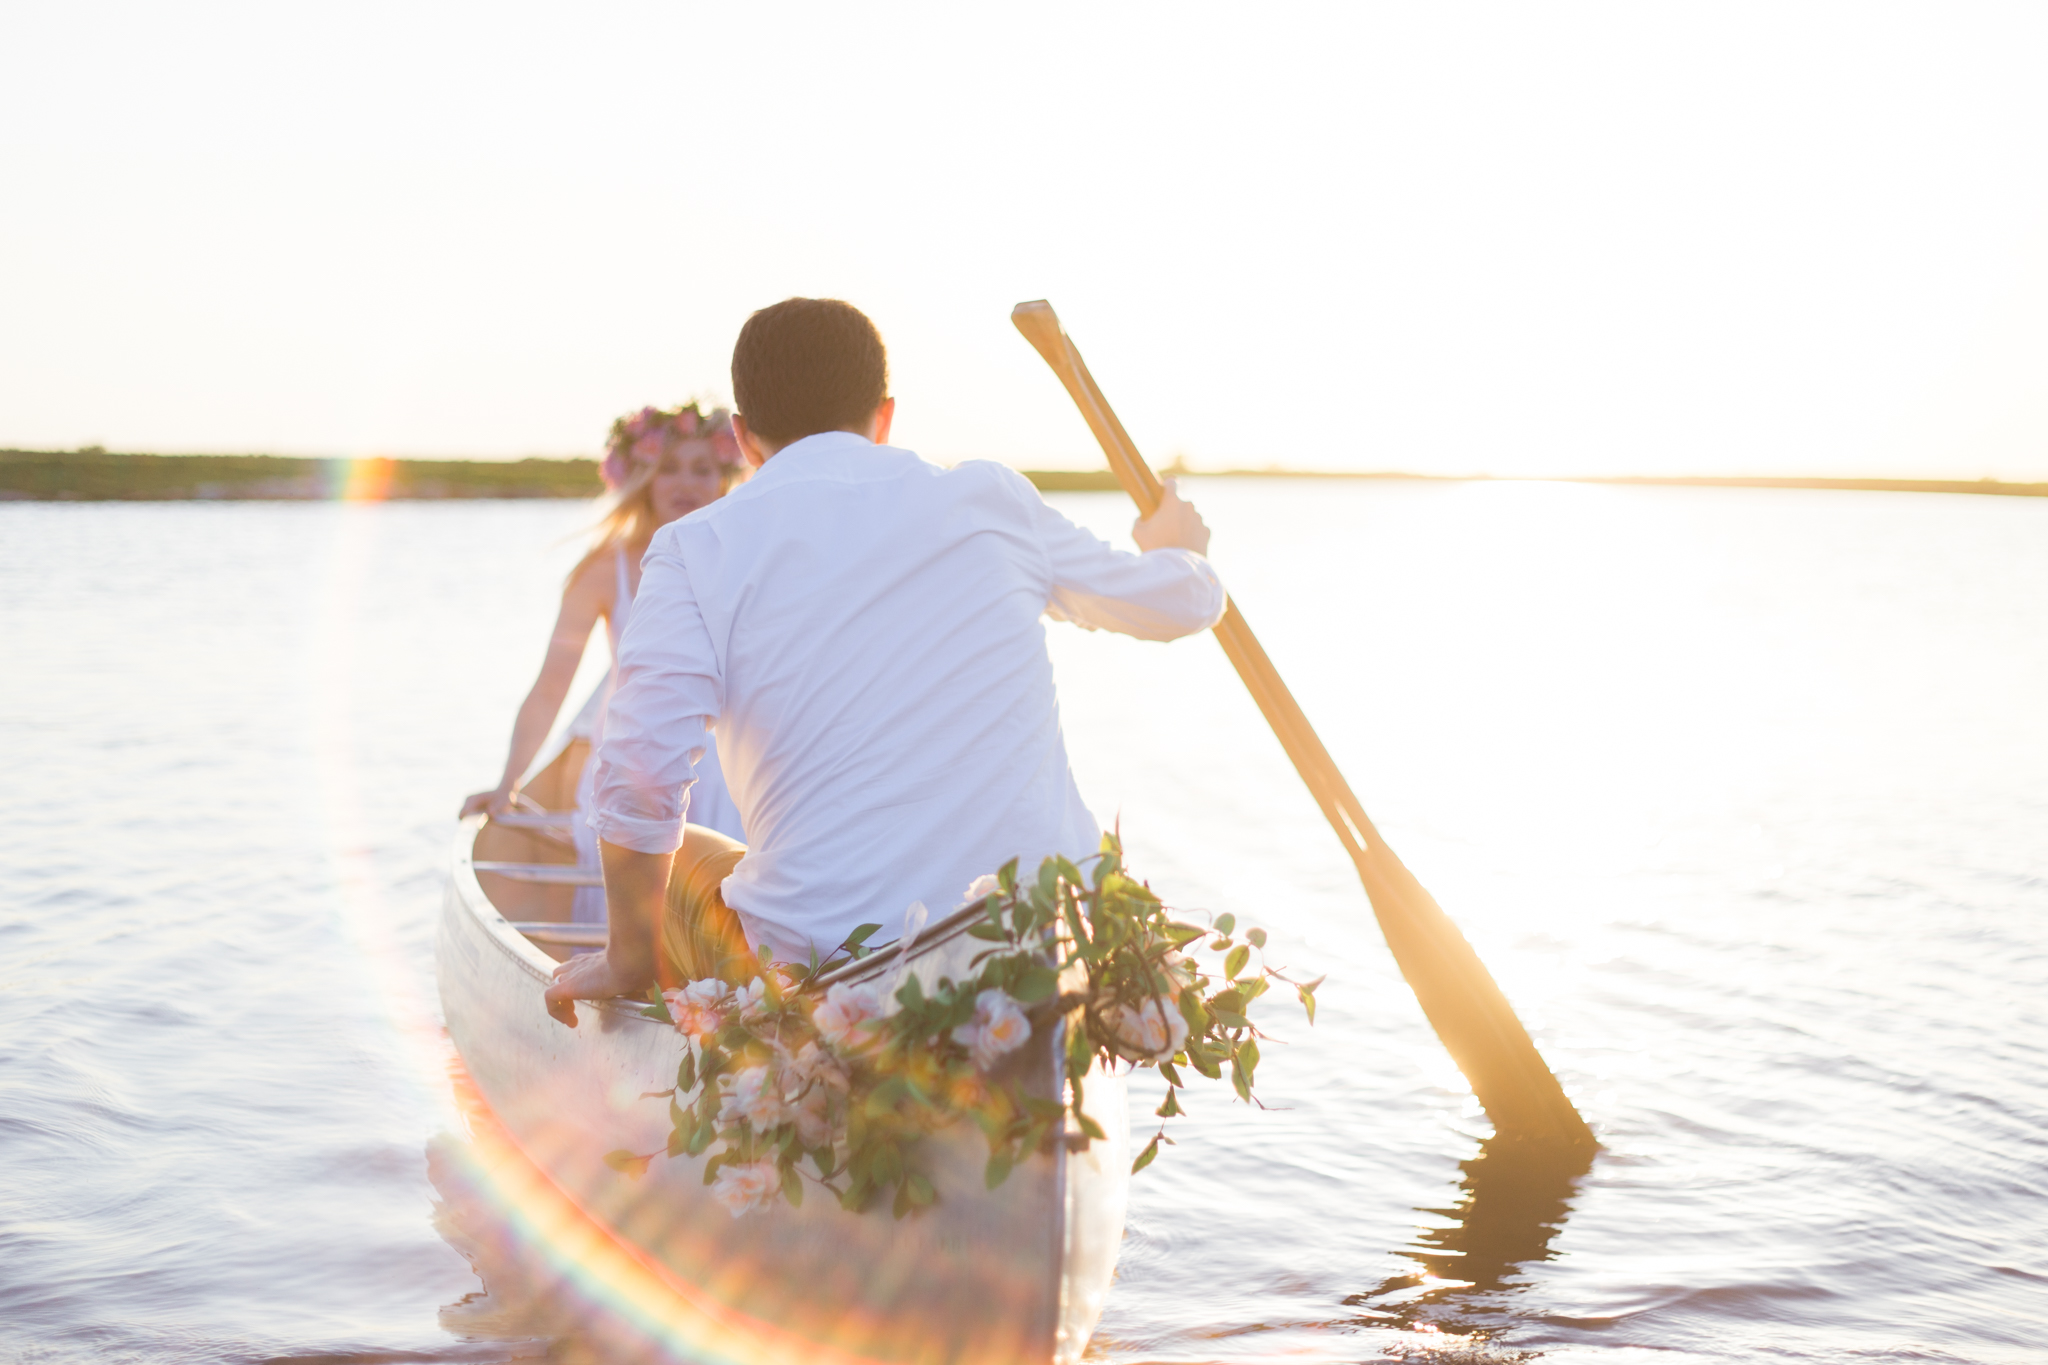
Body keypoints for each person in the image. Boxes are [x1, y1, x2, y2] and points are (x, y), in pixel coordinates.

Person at [545, 299, 1222, 1023]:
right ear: (886, 414)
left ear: (742, 439)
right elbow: (1183, 602)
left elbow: (642, 772)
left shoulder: (693, 547)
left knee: (683, 871)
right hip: (1043, 933)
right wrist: (1177, 546)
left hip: (828, 962)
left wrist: (626, 956)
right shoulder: (992, 500)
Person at [461, 403, 748, 922]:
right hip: (635, 757)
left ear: (725, 477)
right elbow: (551, 687)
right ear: (642, 477)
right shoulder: (603, 569)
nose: (685, 482)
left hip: (726, 759)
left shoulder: (745, 561)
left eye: (702, 469)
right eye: (668, 467)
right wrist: (510, 782)